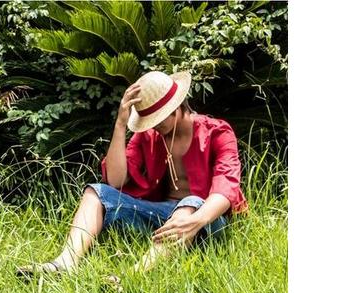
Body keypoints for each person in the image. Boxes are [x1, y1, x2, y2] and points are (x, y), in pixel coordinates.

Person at [16, 71, 248, 277]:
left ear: (176, 109)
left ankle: (132, 277)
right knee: (96, 192)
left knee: (190, 202)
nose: (153, 126)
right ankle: (65, 262)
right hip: (162, 215)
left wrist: (195, 220)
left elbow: (226, 187)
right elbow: (115, 181)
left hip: (206, 219)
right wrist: (120, 124)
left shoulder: (217, 132)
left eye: (157, 120)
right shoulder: (148, 135)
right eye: (148, 121)